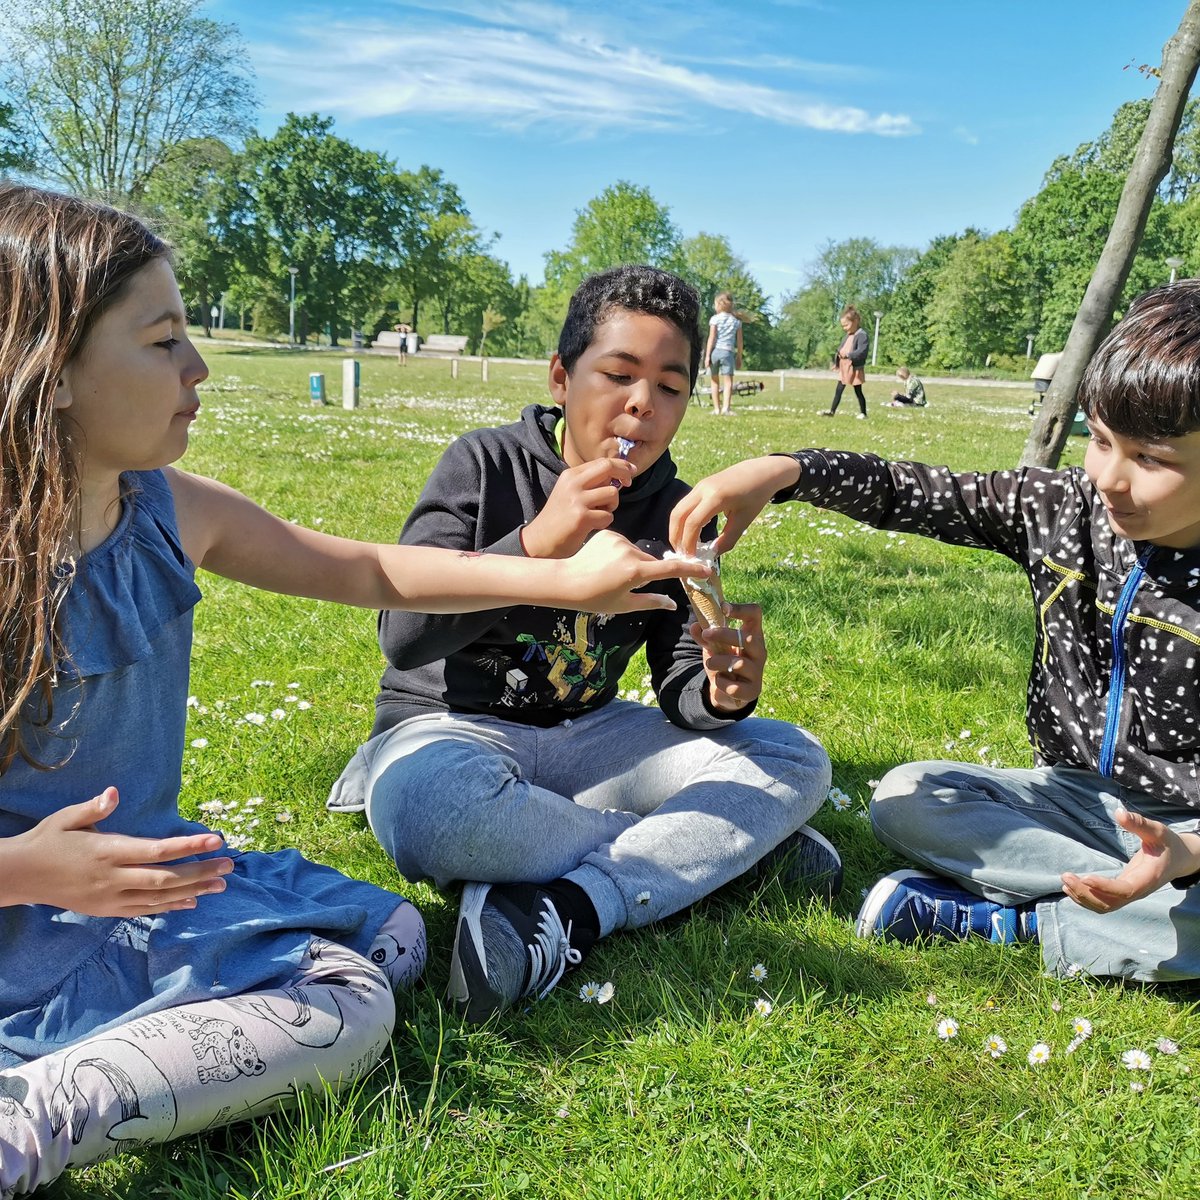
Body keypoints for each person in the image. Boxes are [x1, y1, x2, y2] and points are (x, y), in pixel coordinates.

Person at [0, 185, 701, 1196]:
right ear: (50, 372)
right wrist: (28, 870)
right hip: (29, 917)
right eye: (161, 343)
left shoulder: (167, 508)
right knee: (353, 1007)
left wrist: (557, 580)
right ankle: (41, 1119)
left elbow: (371, 571)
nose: (198, 369)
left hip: (146, 889)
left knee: (395, 937)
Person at [328, 265, 835, 1022]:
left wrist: (723, 694)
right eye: (619, 374)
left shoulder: (676, 511)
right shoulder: (485, 463)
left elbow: (680, 679)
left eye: (670, 386)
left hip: (588, 740)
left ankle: (583, 896)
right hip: (447, 733)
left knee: (795, 757)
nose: (643, 403)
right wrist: (535, 544)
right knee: (432, 809)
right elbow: (403, 638)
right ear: (563, 378)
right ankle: (716, 855)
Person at [670, 280, 1200, 984]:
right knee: (906, 796)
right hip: (1069, 797)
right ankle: (1133, 913)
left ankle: (1021, 923)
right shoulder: (1060, 508)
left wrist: (1187, 855)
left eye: (1153, 459)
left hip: (1190, 829)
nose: (1110, 478)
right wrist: (786, 473)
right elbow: (913, 492)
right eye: (1100, 441)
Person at [822, 306, 869, 419]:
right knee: (839, 390)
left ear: (855, 321)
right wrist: (837, 363)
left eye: (846, 325)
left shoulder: (862, 335)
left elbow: (862, 351)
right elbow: (841, 349)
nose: (844, 328)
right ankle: (832, 411)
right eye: (843, 326)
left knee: (858, 391)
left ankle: (863, 413)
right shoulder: (848, 335)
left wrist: (849, 355)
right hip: (844, 367)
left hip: (854, 368)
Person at [705, 292, 743, 415]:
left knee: (714, 381)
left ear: (719, 305)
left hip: (715, 352)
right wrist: (739, 357)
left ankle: (716, 409)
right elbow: (740, 342)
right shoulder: (736, 321)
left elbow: (711, 338)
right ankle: (726, 408)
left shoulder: (715, 319)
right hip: (728, 352)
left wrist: (707, 356)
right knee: (728, 382)